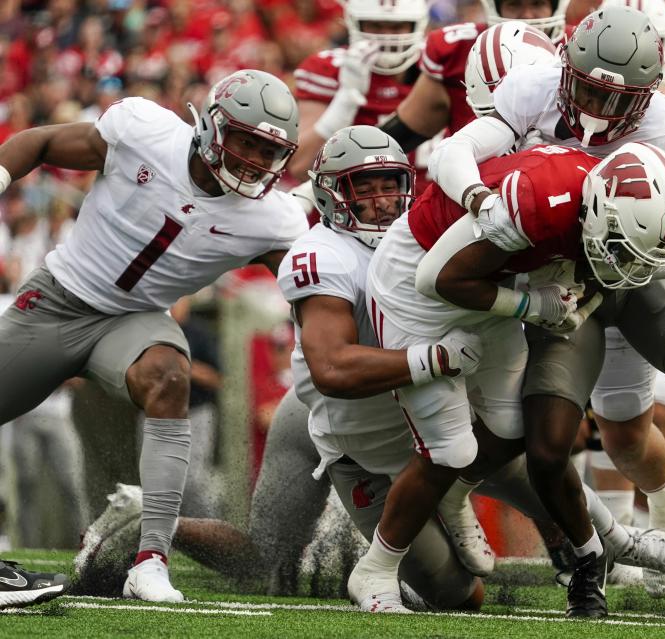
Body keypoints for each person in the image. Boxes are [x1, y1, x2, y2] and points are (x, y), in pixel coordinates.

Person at [428, 3, 665, 602]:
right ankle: (592, 555)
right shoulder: (528, 90)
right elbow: (459, 154)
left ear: (647, 99)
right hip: (568, 273)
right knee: (579, 438)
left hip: (647, 260)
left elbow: (646, 228)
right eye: (587, 92)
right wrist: (477, 199)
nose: (595, 113)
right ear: (564, 67)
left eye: (616, 101)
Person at [354, 139, 665, 618]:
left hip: (488, 283)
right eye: (620, 248)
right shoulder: (538, 203)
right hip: (417, 290)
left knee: (511, 427)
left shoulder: (624, 199)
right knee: (451, 449)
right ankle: (375, 570)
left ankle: (460, 499)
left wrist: (557, 299)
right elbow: (435, 278)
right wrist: (530, 306)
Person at [0, 68, 308, 606]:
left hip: (135, 320)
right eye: (245, 141)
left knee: (169, 377)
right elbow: (42, 140)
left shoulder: (273, 219)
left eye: (268, 150)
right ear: (213, 127)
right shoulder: (144, 131)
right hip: (58, 300)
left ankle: (151, 561)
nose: (255, 160)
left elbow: (315, 293)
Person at [381, 0, 570, 152]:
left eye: (537, 4)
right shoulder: (458, 50)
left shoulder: (581, 47)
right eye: (514, 4)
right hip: (478, 179)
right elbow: (400, 136)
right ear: (493, 6)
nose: (528, 15)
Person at [288, 0, 429, 178]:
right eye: (375, 26)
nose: (386, 36)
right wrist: (345, 100)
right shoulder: (328, 69)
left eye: (397, 26)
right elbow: (299, 167)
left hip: (429, 200)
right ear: (353, 22)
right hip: (351, 200)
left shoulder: (439, 65)